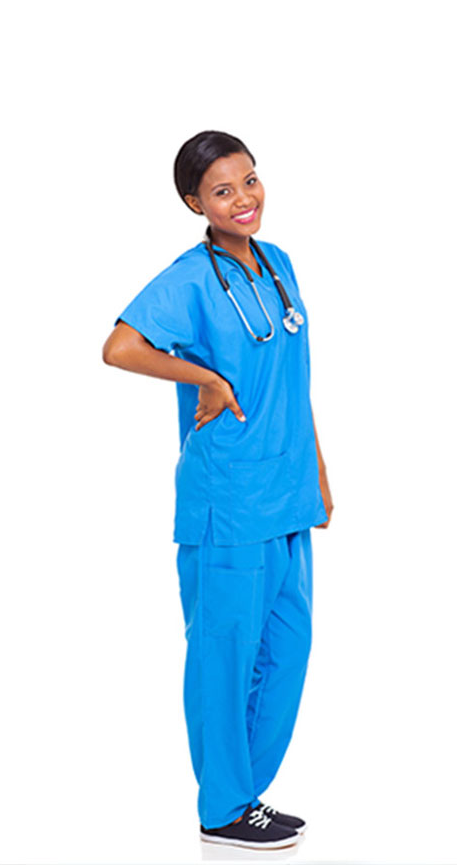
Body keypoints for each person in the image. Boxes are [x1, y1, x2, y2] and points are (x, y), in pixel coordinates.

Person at [102, 130, 334, 850]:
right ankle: (224, 808)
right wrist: (203, 377)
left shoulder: (279, 264)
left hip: (288, 492)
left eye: (250, 181)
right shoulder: (189, 280)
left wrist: (319, 470)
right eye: (223, 191)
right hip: (228, 500)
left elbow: (294, 379)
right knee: (224, 657)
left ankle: (241, 796)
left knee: (286, 651)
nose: (244, 199)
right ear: (193, 203)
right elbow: (119, 346)